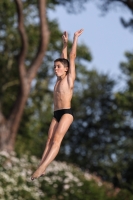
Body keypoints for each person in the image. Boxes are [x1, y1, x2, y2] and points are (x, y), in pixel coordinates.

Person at [31, 29, 84, 180]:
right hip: (56, 114)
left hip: (66, 113)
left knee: (56, 140)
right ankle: (42, 167)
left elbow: (70, 58)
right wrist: (64, 43)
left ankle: (42, 166)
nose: (56, 69)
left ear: (66, 69)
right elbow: (63, 56)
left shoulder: (69, 79)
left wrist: (74, 39)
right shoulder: (57, 80)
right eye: (54, 67)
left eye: (58, 67)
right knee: (48, 140)